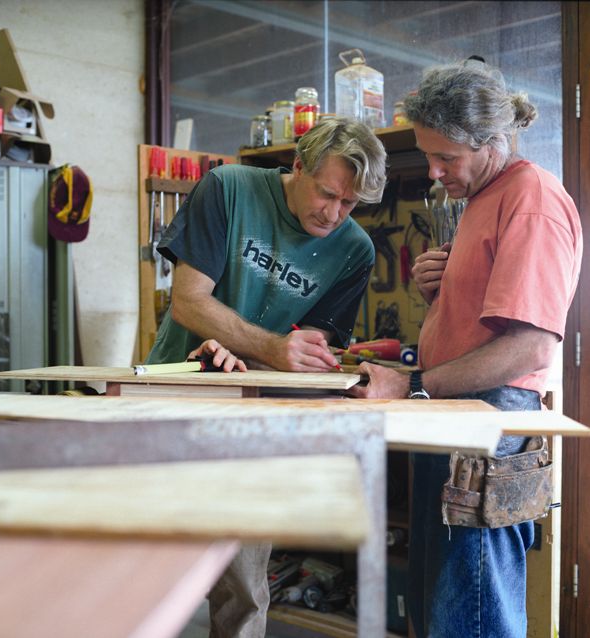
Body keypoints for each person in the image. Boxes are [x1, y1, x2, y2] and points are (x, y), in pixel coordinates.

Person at [350, 58, 582, 637]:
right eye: (429, 156)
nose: (433, 173)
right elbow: (481, 327)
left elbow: (528, 347)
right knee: (440, 605)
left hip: (490, 425)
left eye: (446, 158)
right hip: (458, 417)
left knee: (471, 609)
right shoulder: (485, 196)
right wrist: (441, 292)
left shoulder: (530, 199)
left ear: (492, 141)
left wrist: (413, 384)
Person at [145, 116, 387, 637]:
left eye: (350, 205)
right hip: (170, 398)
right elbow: (189, 303)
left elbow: (310, 352)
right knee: (139, 575)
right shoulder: (228, 189)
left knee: (243, 592)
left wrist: (253, 359)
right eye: (327, 194)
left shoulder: (355, 251)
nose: (335, 214)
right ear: (298, 165)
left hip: (253, 417)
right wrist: (271, 347)